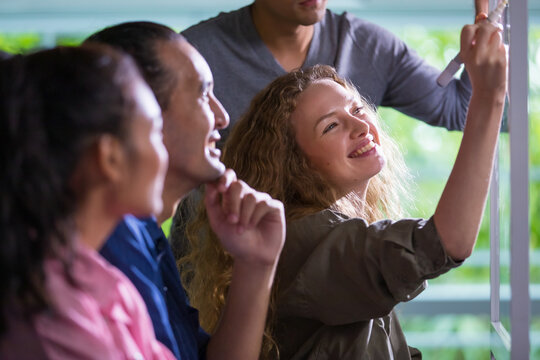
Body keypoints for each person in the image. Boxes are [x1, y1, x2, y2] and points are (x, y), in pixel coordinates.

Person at [180, 19, 507, 359]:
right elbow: (445, 242)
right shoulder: (307, 237)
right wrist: (490, 97)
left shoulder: (331, 235)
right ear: (295, 164)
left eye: (357, 109)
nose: (359, 125)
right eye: (332, 125)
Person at [85, 21, 286, 360]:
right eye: (202, 93)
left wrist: (256, 264)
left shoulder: (147, 239)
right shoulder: (109, 240)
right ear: (139, 111)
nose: (222, 117)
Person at [0, 45, 174, 359]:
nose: (165, 155)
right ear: (109, 157)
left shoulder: (102, 281)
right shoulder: (51, 316)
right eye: (156, 132)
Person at [181, 0, 490, 142]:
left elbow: (461, 110)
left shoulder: (368, 47)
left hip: (330, 268)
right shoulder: (193, 55)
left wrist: (491, 50)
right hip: (215, 268)